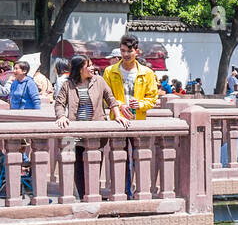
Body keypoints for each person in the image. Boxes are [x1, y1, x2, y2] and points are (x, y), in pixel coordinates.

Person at [55, 55, 129, 198]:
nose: (92, 68)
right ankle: (83, 196)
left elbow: (111, 99)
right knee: (75, 166)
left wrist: (118, 115)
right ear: (79, 69)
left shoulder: (99, 81)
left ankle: (93, 194)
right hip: (74, 132)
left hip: (95, 130)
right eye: (88, 65)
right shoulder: (67, 84)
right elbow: (59, 103)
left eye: (92, 65)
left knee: (94, 164)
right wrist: (61, 116)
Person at [103, 35, 160, 198]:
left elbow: (153, 97)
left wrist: (140, 104)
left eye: (129, 51)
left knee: (139, 157)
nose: (126, 54)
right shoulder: (110, 71)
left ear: (137, 51)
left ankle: (141, 192)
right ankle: (124, 192)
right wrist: (119, 105)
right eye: (122, 51)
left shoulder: (147, 73)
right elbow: (104, 96)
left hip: (138, 121)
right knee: (120, 159)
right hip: (118, 120)